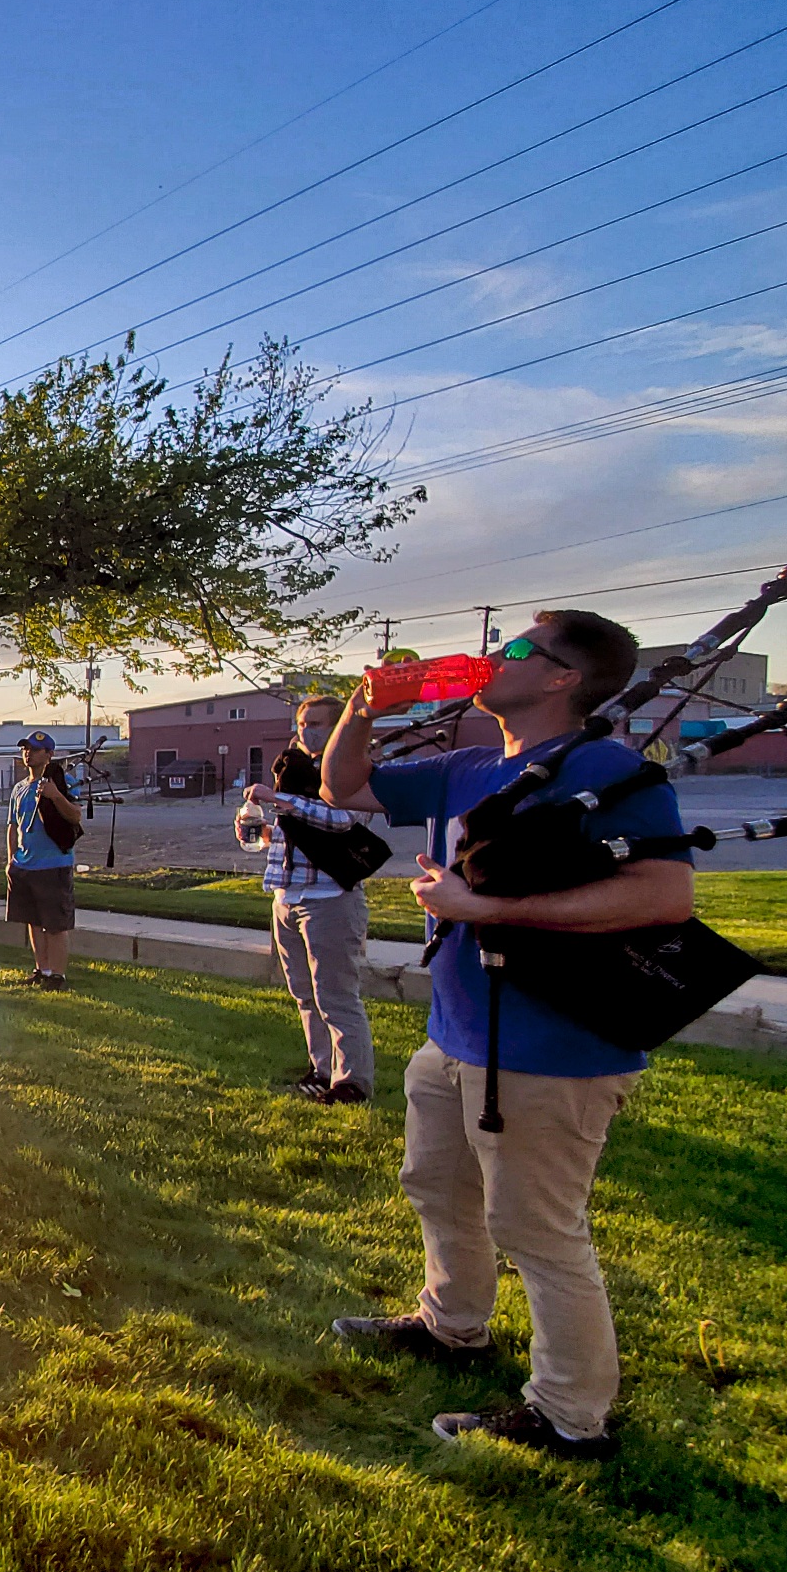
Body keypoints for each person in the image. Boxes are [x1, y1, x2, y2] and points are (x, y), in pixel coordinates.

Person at [321, 610, 693, 1462]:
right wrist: (363, 707)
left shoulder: (605, 768)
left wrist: (488, 910)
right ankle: (452, 1326)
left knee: (538, 1229)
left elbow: (664, 895)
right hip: (455, 1035)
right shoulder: (468, 765)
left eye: (519, 648)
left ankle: (571, 1415)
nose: (495, 655)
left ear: (564, 679)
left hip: (549, 1047)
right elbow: (346, 787)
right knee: (437, 1187)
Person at [238, 695, 375, 1105]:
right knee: (303, 992)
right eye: (301, 722)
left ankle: (352, 1082)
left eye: (315, 722)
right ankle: (322, 1069)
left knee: (335, 994)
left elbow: (342, 819)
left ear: (336, 729)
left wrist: (278, 800)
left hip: (329, 897)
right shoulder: (291, 773)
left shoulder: (350, 771)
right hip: (286, 893)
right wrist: (253, 827)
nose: (305, 730)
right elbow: (280, 834)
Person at [6, 731, 82, 988]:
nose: (28, 753)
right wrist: (10, 860)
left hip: (53, 864)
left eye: (36, 749)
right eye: (25, 748)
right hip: (24, 864)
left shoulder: (64, 781)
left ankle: (58, 976)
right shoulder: (18, 788)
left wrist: (54, 795)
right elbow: (12, 826)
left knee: (55, 924)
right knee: (34, 922)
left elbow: (75, 817)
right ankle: (42, 970)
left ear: (49, 754)